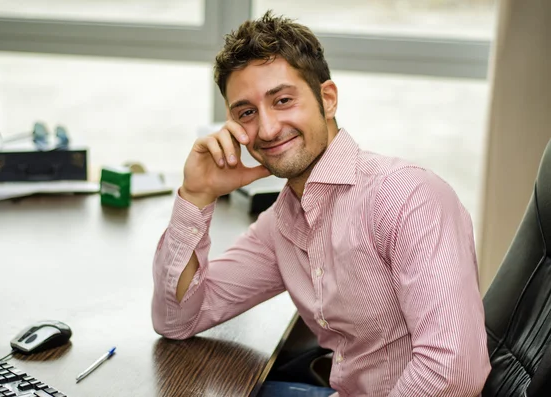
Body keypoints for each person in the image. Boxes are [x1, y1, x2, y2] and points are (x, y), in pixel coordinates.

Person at [152, 11, 491, 397]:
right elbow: (177, 319)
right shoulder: (283, 221)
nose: (266, 129)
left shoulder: (408, 198)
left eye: (282, 100)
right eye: (247, 112)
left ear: (326, 99)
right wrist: (196, 197)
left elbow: (454, 373)